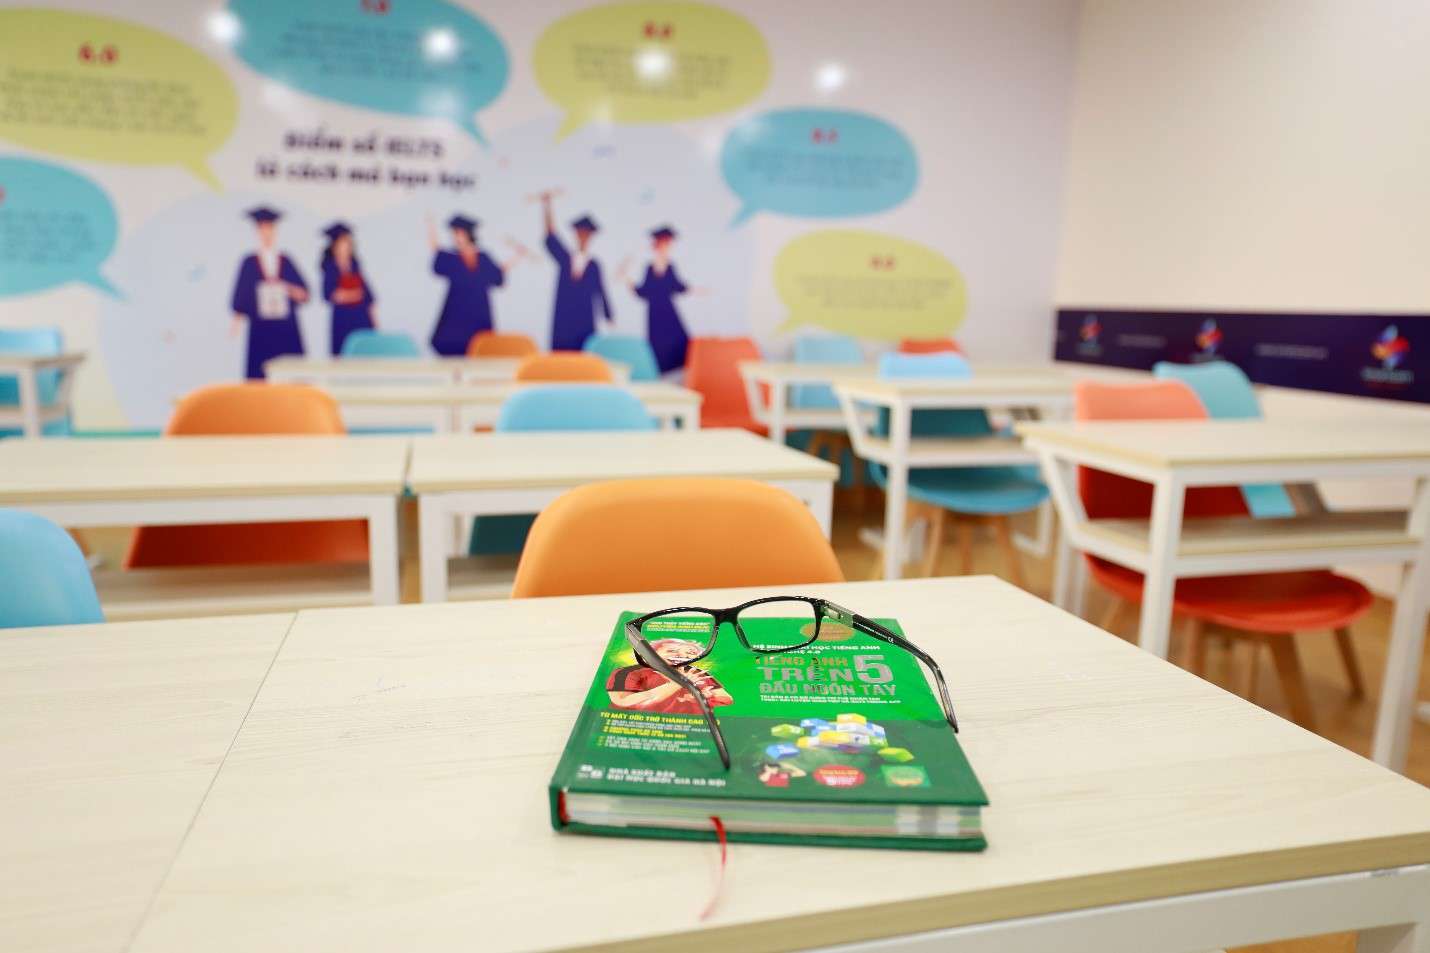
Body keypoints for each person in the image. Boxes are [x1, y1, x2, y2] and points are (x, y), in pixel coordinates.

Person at [427, 214, 526, 356]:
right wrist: (430, 225)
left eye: (458, 233)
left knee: (480, 348)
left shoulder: (483, 257)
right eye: (454, 233)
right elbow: (436, 251)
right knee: (452, 346)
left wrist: (517, 257)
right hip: (456, 311)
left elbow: (497, 273)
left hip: (479, 311)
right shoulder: (452, 257)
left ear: (468, 234)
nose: (456, 237)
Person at [229, 206, 309, 380]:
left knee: (292, 377)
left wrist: (286, 288)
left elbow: (304, 294)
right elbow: (240, 299)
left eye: (270, 229)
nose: (266, 233)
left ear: (275, 231)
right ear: (257, 232)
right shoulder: (249, 262)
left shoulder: (285, 260)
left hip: (286, 328)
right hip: (261, 329)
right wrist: (236, 323)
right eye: (262, 229)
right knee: (260, 377)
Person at [621, 225, 701, 374]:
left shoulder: (670, 267)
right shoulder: (649, 268)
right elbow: (643, 291)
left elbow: (678, 286)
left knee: (679, 342)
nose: (666, 247)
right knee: (658, 346)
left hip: (669, 311)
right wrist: (628, 282)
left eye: (668, 244)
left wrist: (696, 290)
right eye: (663, 243)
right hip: (655, 313)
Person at [538, 193, 612, 351]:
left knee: (585, 353)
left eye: (587, 234)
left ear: (591, 236)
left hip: (585, 318)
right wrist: (547, 206)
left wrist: (608, 314)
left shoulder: (594, 265)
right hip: (564, 317)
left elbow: (601, 291)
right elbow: (551, 237)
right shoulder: (565, 259)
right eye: (580, 233)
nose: (583, 236)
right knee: (562, 354)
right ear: (575, 234)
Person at [605, 638, 733, 715]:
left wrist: (706, 697)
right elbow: (624, 701)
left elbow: (726, 699)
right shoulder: (627, 673)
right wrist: (678, 683)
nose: (682, 655)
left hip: (692, 730)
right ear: (654, 652)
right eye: (671, 650)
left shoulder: (697, 673)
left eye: (690, 652)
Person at [319, 221, 377, 356]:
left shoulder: (355, 265)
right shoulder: (330, 267)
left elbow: (368, 296)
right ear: (334, 247)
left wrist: (374, 322)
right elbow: (330, 295)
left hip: (361, 317)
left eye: (347, 244)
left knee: (364, 353)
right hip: (343, 320)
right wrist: (353, 295)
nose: (345, 247)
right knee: (343, 353)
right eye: (342, 244)